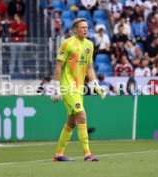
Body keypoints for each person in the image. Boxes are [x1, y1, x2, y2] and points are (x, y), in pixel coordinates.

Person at [50, 18, 106, 162]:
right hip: (67, 86)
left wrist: (96, 85)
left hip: (79, 88)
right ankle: (87, 154)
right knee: (82, 116)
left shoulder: (89, 45)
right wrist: (56, 88)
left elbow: (89, 68)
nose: (85, 30)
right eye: (82, 27)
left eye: (87, 27)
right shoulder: (67, 44)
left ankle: (58, 155)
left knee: (71, 122)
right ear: (75, 29)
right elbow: (58, 66)